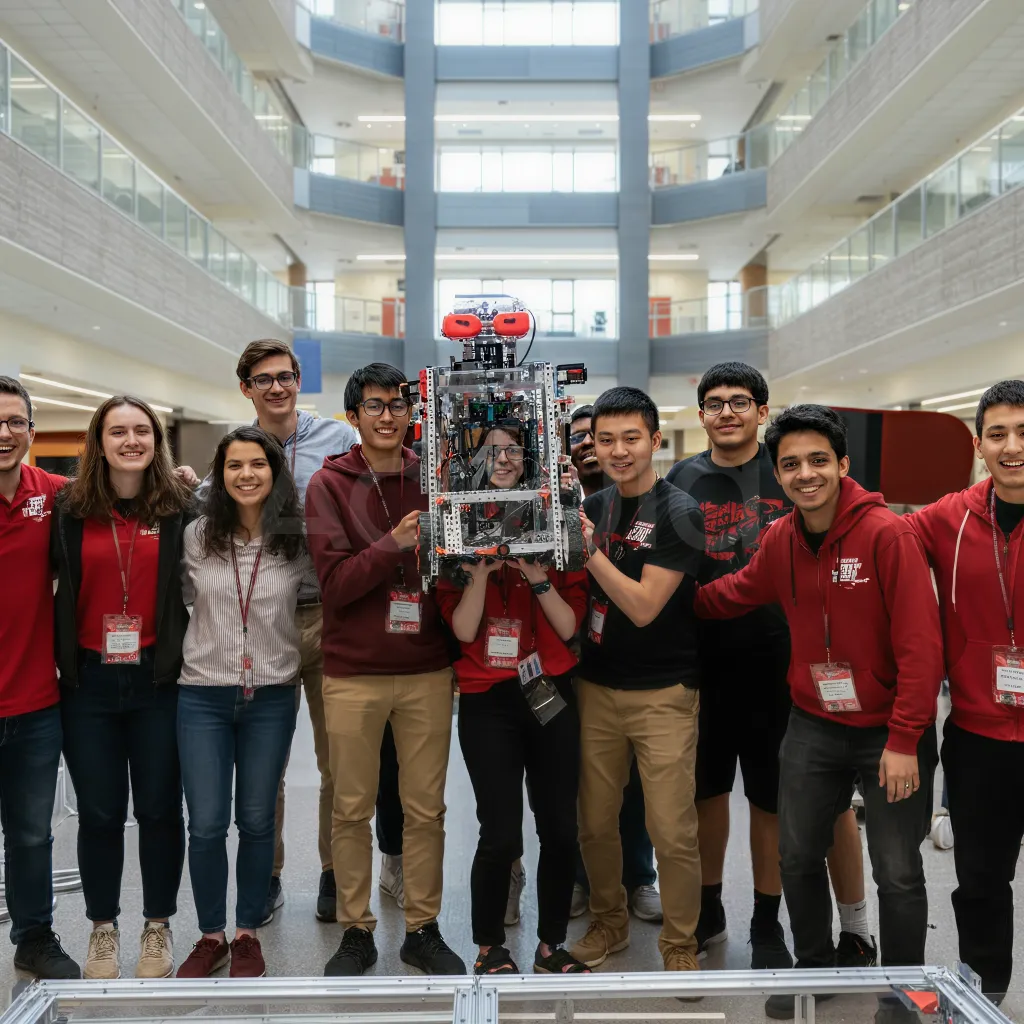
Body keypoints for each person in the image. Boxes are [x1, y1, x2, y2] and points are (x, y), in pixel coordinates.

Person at [693, 405, 942, 1024]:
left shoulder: (888, 534)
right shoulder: (780, 540)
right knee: (797, 855)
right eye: (791, 465)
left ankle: (907, 991)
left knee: (899, 870)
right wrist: (670, 601)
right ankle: (815, 966)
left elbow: (921, 646)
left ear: (843, 464)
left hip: (890, 732)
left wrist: (907, 737)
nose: (806, 474)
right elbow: (736, 592)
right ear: (778, 475)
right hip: (812, 724)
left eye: (818, 461)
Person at [665, 364, 872, 970]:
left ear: (761, 409)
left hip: (784, 664)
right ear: (700, 413)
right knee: (705, 794)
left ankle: (765, 920)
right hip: (700, 663)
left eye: (739, 402)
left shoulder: (789, 471)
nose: (726, 412)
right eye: (713, 403)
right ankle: (709, 911)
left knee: (770, 801)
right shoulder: (680, 478)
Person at [306, 363, 463, 977]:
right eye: (375, 405)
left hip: (426, 668)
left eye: (399, 404)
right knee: (352, 809)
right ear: (353, 416)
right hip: (352, 673)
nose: (389, 415)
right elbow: (336, 585)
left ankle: (422, 928)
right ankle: (355, 930)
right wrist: (393, 544)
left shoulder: (439, 476)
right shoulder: (329, 483)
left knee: (426, 810)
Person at [436, 426, 590, 976]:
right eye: (490, 451)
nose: (504, 459)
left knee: (559, 828)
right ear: (472, 461)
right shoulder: (457, 530)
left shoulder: (555, 528)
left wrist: (538, 576)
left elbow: (570, 624)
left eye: (514, 450)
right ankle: (488, 946)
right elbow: (463, 629)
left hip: (550, 691)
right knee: (499, 831)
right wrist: (477, 575)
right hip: (487, 699)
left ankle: (551, 944)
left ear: (532, 458)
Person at [53, 396, 194, 980]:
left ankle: (157, 926)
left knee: (161, 809)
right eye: (118, 431)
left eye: (142, 430)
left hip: (158, 678)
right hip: (87, 683)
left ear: (157, 441)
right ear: (98, 441)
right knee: (100, 812)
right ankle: (103, 928)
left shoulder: (180, 505)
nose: (131, 440)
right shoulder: (69, 505)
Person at [231, 339, 370, 926]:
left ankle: (335, 873)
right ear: (246, 388)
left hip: (332, 615)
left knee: (339, 757)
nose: (277, 387)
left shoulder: (339, 440)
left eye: (285, 376)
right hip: (263, 621)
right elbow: (209, 509)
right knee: (265, 761)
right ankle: (266, 874)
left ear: (298, 380)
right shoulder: (238, 448)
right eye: (263, 380)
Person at [568, 386, 705, 978]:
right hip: (595, 688)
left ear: (655, 440)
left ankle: (680, 944)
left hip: (664, 694)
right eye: (606, 440)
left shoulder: (679, 512)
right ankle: (609, 922)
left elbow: (645, 606)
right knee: (595, 823)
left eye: (631, 438)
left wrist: (587, 551)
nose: (619, 451)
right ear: (592, 444)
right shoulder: (595, 507)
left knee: (671, 829)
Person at [174, 427, 312, 978]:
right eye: (235, 466)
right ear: (220, 473)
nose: (247, 475)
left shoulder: (295, 539)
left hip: (273, 695)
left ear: (275, 473)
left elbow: (324, 590)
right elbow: (186, 597)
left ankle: (248, 930)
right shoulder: (196, 536)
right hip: (202, 693)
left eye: (258, 464)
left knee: (256, 820)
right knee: (206, 823)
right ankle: (211, 935)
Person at [904, 380, 1024, 1003]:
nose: (1012, 447)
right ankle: (984, 990)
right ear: (979, 445)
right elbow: (883, 532)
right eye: (998, 433)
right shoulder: (949, 517)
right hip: (979, 736)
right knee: (981, 878)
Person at [563, 406, 661, 923]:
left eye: (598, 438)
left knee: (640, 787)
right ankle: (587, 879)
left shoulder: (651, 504)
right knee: (592, 786)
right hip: (583, 660)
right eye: (585, 440)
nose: (596, 448)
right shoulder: (565, 499)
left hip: (645, 667)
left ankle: (640, 876)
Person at [0, 377, 79, 979]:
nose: (4, 434)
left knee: (30, 835)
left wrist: (179, 481)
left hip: (32, 703)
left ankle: (34, 938)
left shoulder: (49, 493)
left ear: (31, 429)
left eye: (15, 422)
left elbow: (115, 497)